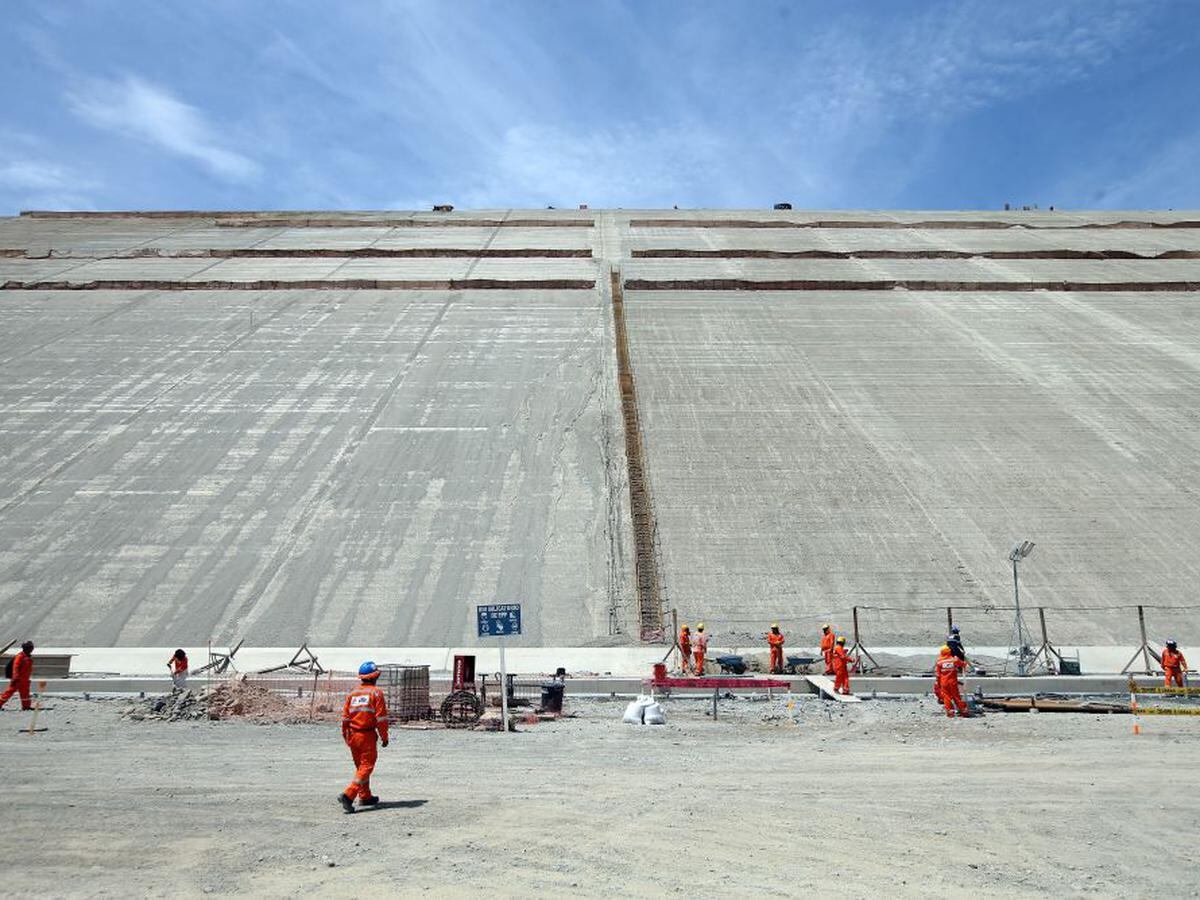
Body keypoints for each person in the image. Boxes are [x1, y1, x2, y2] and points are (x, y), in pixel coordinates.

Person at [337, 661, 390, 813]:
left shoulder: (353, 694)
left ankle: (365, 796)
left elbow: (345, 718)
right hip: (366, 735)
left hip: (353, 735)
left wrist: (347, 736)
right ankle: (349, 795)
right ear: (375, 677)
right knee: (366, 766)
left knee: (361, 768)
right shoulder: (376, 693)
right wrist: (384, 737)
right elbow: (381, 719)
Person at [933, 645, 969, 718]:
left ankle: (950, 712)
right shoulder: (954, 660)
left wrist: (938, 684)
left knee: (946, 697)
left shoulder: (939, 662)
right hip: (953, 682)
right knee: (956, 696)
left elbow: (938, 675)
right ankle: (964, 710)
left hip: (944, 683)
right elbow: (963, 664)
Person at [0, 640, 35, 711]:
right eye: (29, 647)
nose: (31, 649)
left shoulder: (27, 657)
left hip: (25, 679)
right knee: (9, 692)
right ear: (25, 648)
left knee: (25, 694)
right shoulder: (20, 656)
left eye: (31, 647)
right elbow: (15, 667)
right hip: (18, 680)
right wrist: (15, 678)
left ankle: (26, 706)